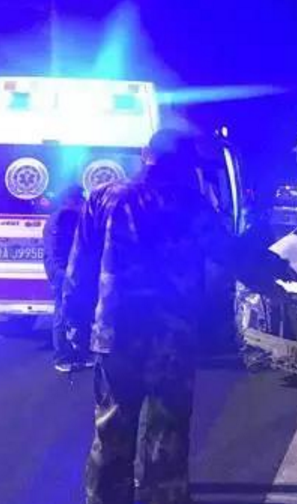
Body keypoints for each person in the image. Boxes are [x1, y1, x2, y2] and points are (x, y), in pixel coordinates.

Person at [63, 129, 244, 504]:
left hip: (115, 331)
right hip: (172, 335)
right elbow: (227, 254)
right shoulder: (191, 204)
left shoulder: (105, 197)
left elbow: (79, 267)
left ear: (146, 154)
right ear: (184, 164)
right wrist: (278, 269)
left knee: (112, 429)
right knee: (167, 432)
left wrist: (74, 321)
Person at [43, 184, 91, 372]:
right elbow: (60, 248)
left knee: (69, 312)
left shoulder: (60, 216)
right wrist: (65, 272)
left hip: (62, 271)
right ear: (71, 200)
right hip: (63, 273)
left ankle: (73, 354)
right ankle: (62, 357)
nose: (83, 201)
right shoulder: (64, 217)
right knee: (63, 313)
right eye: (80, 198)